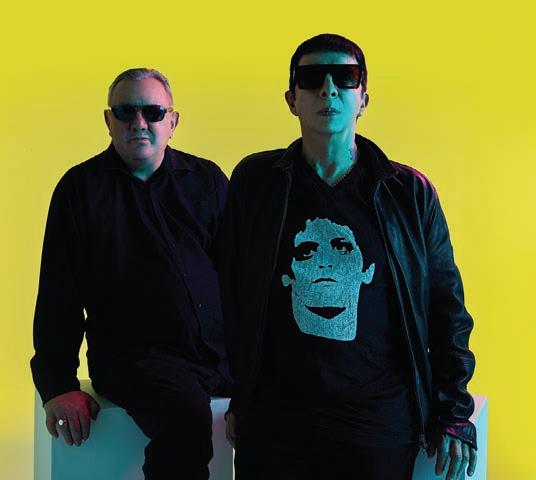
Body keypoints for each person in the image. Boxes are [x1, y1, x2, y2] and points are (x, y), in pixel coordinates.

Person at [220, 34, 477, 480]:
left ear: (363, 99)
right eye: (311, 78)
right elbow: (230, 289)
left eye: (345, 77)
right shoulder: (257, 182)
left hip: (377, 424)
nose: (328, 89)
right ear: (291, 99)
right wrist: (237, 394)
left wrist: (454, 411)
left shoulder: (409, 193)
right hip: (276, 421)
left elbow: (447, 308)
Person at [31, 68, 230, 480]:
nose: (139, 122)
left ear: (172, 122)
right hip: (138, 360)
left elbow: (239, 275)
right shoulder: (79, 189)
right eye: (125, 112)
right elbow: (58, 293)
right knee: (186, 421)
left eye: (153, 112)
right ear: (109, 121)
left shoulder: (207, 179)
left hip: (218, 354)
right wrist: (58, 384)